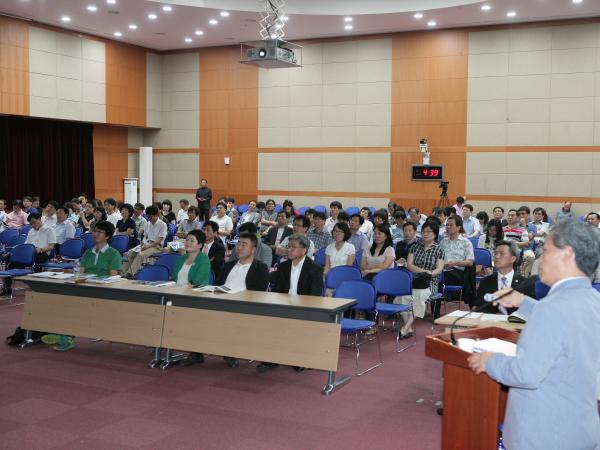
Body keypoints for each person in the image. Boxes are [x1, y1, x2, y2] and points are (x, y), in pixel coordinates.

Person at [467, 220, 600, 450]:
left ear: (567, 254)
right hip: (580, 428)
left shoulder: (553, 308)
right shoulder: (592, 301)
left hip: (544, 434)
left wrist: (490, 360)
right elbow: (566, 326)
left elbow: (525, 373)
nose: (540, 259)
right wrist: (523, 303)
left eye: (546, 251)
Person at [42, 220, 122, 352]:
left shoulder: (114, 254)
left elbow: (113, 278)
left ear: (107, 236)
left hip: (102, 290)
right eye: (94, 231)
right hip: (86, 287)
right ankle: (61, 333)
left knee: (75, 305)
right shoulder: (88, 252)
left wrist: (95, 281)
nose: (95, 234)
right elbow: (81, 274)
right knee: (62, 300)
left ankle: (65, 336)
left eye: (99, 232)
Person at [258, 233, 324, 373]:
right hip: (284, 305)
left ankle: (297, 358)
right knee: (267, 319)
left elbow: (314, 296)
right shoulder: (284, 266)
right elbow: (278, 290)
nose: (289, 250)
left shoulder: (315, 269)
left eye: (293, 247)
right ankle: (271, 359)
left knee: (295, 322)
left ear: (304, 250)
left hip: (304, 308)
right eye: (288, 246)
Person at [400, 221, 445, 333]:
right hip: (414, 280)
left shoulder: (439, 249)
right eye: (424, 231)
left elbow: (439, 269)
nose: (425, 234)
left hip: (430, 282)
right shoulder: (415, 247)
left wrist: (428, 274)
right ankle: (408, 327)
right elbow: (409, 265)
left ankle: (406, 327)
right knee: (401, 297)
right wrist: (424, 271)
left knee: (419, 296)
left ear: (435, 234)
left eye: (428, 232)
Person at [473, 240, 536, 313]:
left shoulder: (524, 284)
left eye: (501, 254)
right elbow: (479, 308)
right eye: (495, 253)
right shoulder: (485, 282)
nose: (496, 256)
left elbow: (529, 312)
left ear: (513, 259)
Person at [1, 213, 56, 297]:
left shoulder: (49, 230)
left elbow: (51, 246)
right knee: (11, 262)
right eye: (30, 223)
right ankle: (7, 288)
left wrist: (41, 249)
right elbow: (26, 245)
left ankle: (36, 287)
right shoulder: (31, 231)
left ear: (39, 219)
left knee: (26, 258)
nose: (32, 225)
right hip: (30, 253)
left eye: (34, 222)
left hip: (42, 253)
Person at [122, 205, 167, 277]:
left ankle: (130, 273)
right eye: (148, 217)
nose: (149, 218)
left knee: (140, 255)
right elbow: (145, 237)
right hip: (146, 244)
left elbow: (160, 240)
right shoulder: (147, 223)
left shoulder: (163, 225)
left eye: (151, 217)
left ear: (156, 215)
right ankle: (123, 272)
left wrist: (148, 246)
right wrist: (143, 244)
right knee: (130, 253)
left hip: (156, 246)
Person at [440, 215, 476, 306]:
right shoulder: (443, 242)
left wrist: (454, 263)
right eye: (447, 225)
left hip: (458, 273)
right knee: (435, 275)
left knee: (435, 277)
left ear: (459, 227)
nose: (448, 227)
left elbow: (470, 262)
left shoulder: (466, 242)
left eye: (451, 225)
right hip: (443, 271)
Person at [503, 209, 535, 277]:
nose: (510, 217)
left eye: (512, 215)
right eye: (508, 215)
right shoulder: (502, 229)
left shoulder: (522, 229)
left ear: (517, 218)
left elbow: (526, 243)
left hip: (516, 251)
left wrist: (511, 243)